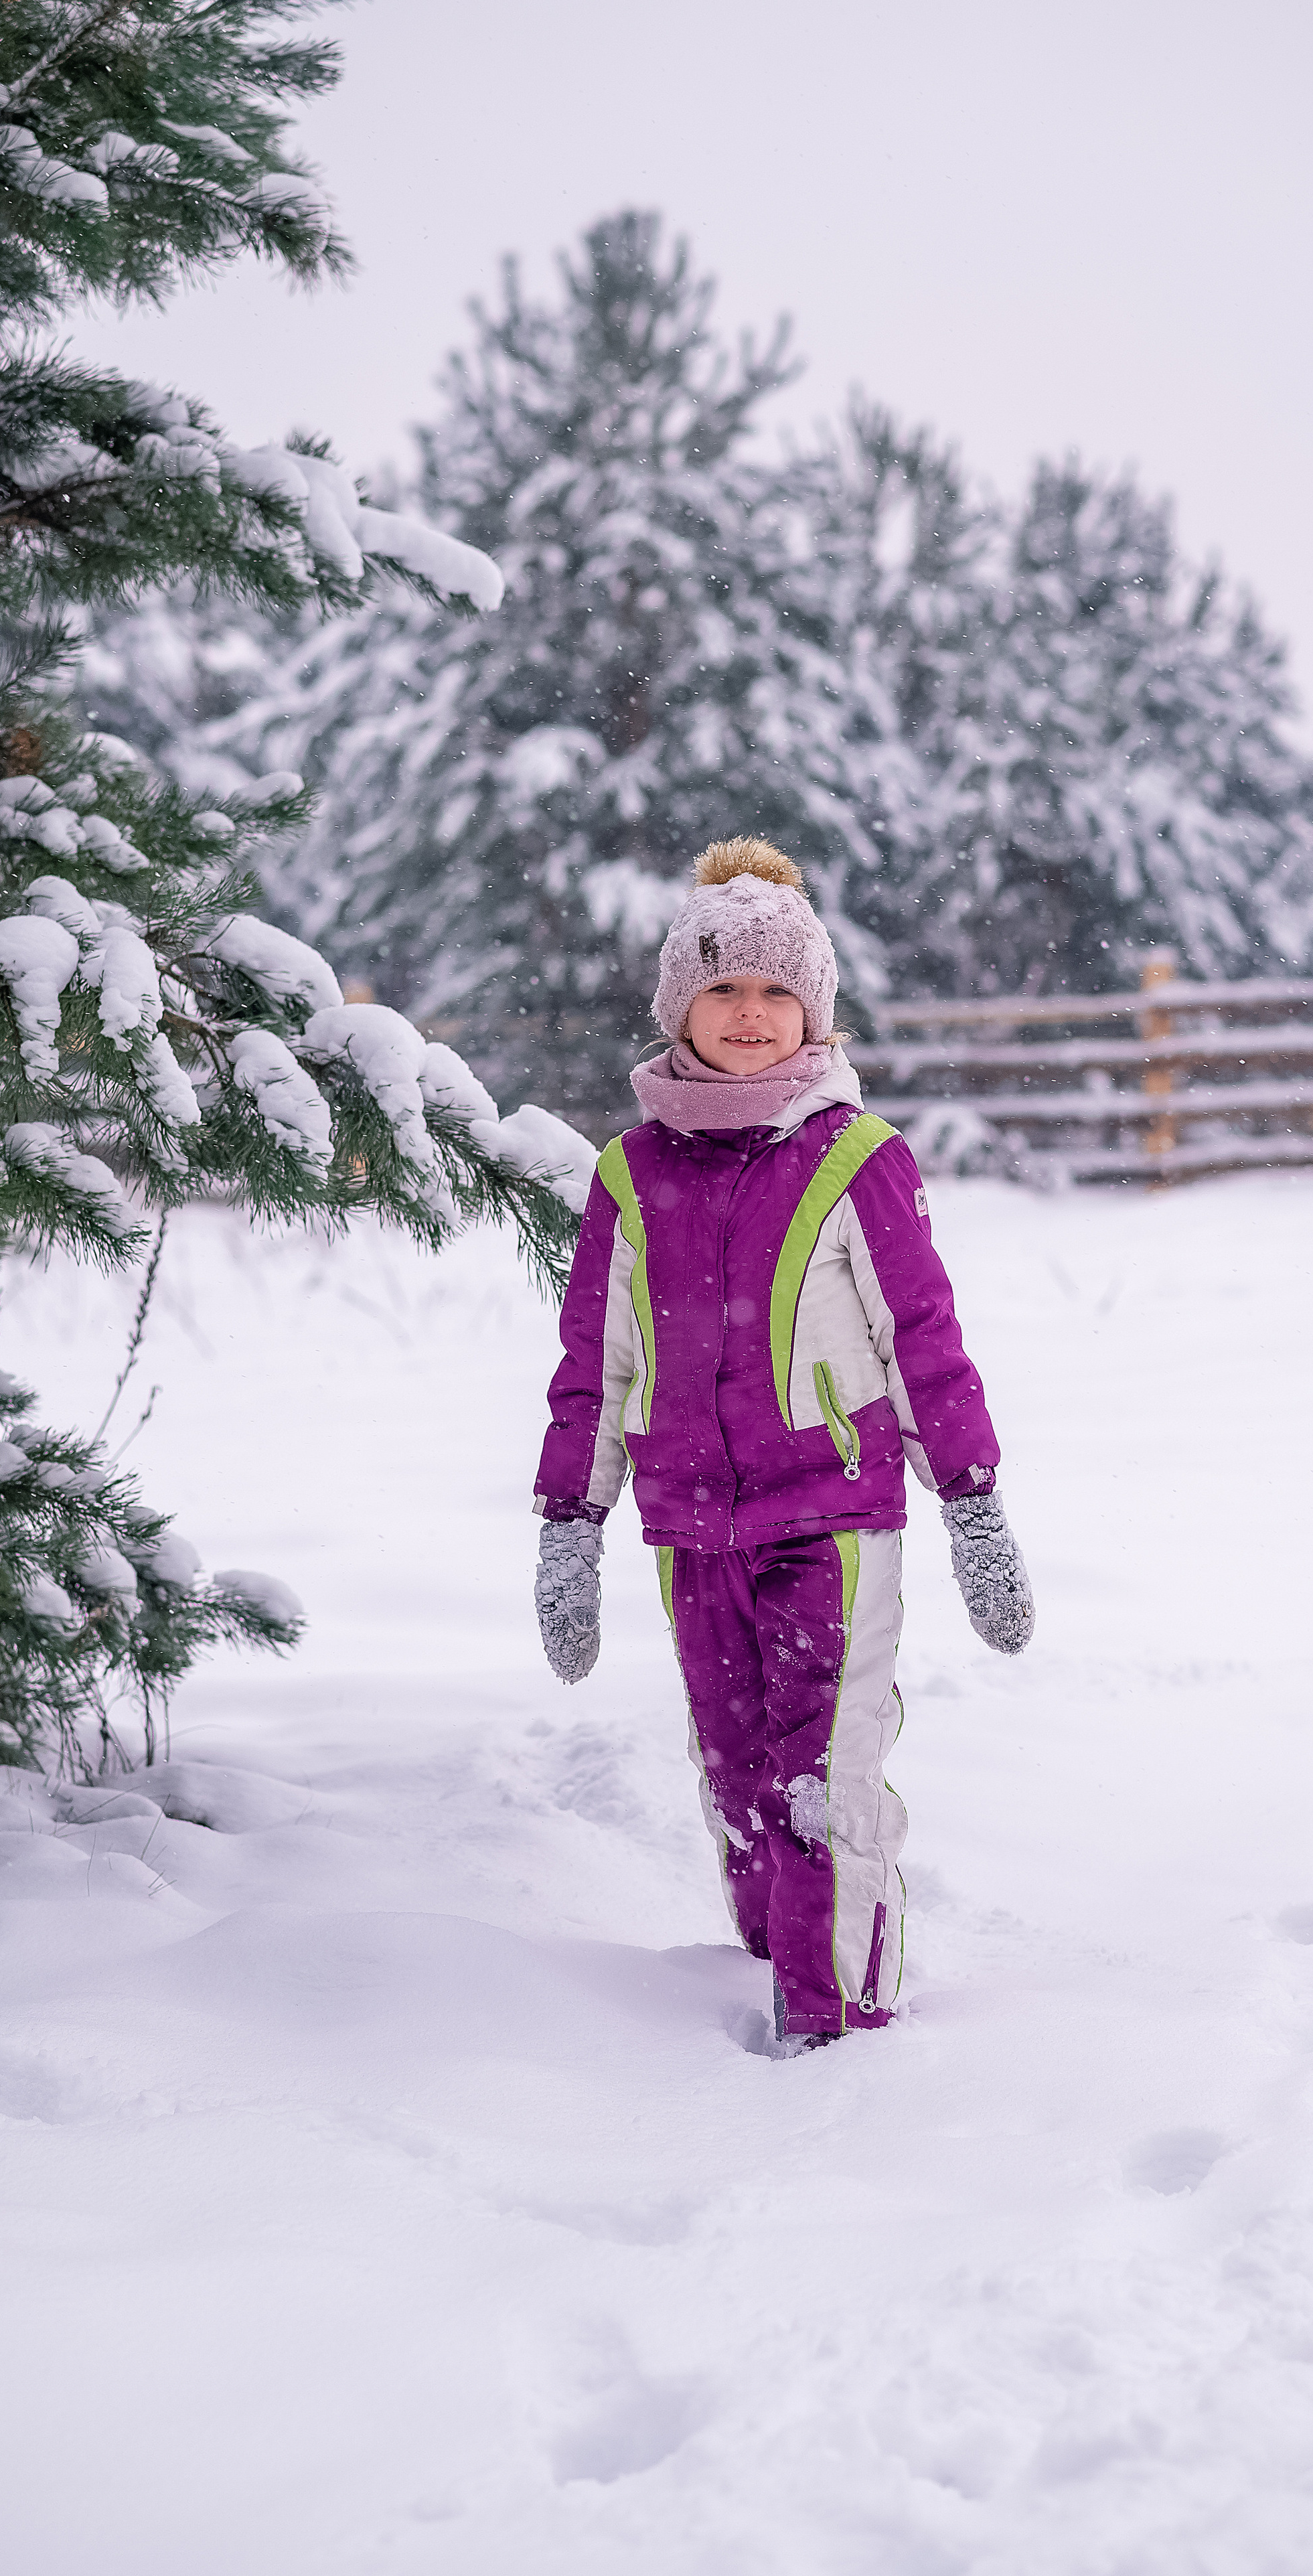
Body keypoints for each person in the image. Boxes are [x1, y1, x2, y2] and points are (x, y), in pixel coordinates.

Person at [532, 838, 1033, 2050]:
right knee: (739, 1771)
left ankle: (839, 2024)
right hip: (689, 1525)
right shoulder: (629, 1173)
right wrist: (568, 1529)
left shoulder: (858, 1156)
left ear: (813, 1008)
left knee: (823, 1778)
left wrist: (973, 1505)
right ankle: (765, 1963)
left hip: (835, 1520)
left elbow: (925, 1341)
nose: (750, 1016)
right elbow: (596, 1368)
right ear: (679, 1007)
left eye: (776, 992)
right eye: (723, 989)